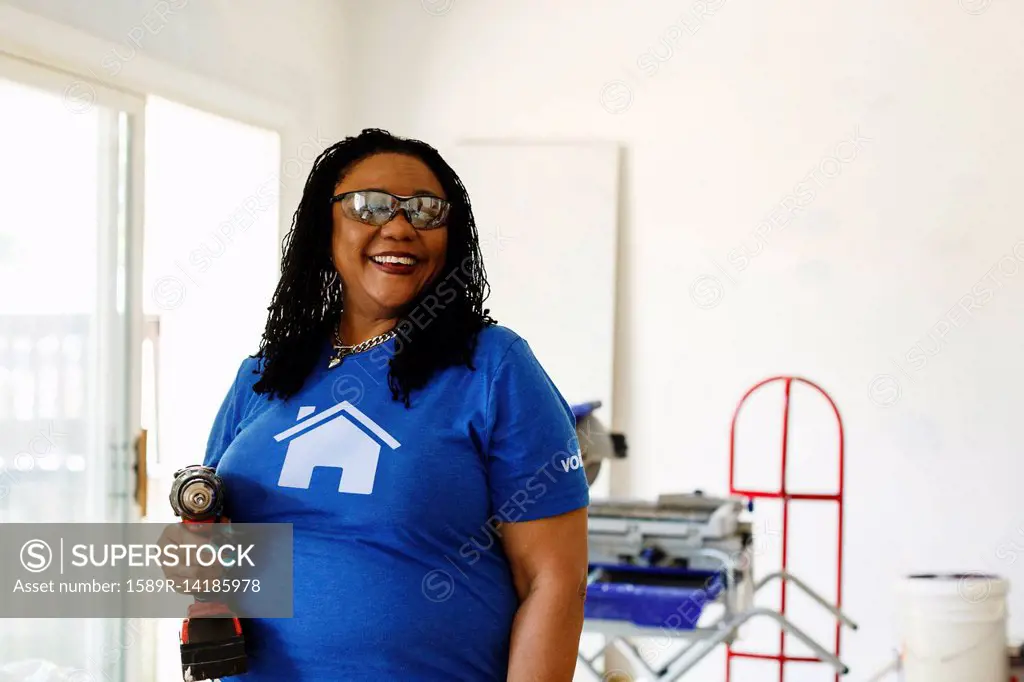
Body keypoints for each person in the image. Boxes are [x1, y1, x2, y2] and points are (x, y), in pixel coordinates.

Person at [199, 128, 590, 680]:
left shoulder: (494, 367)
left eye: (427, 211)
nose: (402, 226)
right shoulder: (263, 374)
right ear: (323, 227)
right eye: (371, 206)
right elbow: (209, 547)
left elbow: (554, 580)